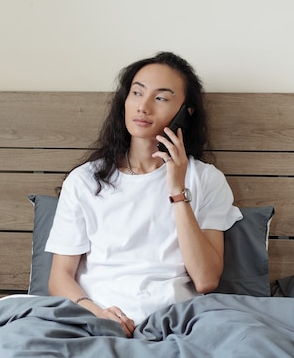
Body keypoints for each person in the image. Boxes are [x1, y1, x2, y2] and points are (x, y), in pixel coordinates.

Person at [44, 51, 242, 337]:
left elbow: (206, 280)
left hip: (176, 323)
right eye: (137, 93)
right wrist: (97, 313)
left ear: (186, 113)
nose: (143, 107)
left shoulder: (207, 180)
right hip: (95, 321)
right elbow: (59, 278)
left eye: (161, 98)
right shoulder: (85, 180)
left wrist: (177, 191)